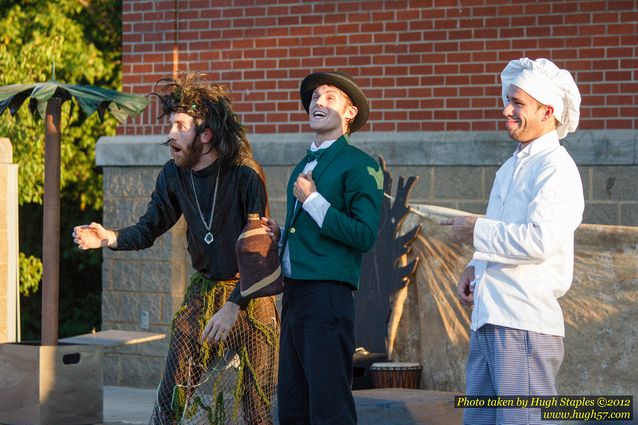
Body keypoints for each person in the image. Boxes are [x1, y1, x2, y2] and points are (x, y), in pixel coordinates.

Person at [73, 73, 279, 425]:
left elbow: (260, 253)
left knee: (256, 405)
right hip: (205, 290)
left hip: (249, 295)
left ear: (206, 134)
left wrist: (233, 307)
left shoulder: (246, 174)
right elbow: (149, 227)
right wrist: (109, 237)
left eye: (180, 125)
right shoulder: (173, 175)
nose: (170, 134)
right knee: (173, 393)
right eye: (169, 124)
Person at [441, 58, 584, 424]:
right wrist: (474, 266)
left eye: (517, 103)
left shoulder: (556, 168)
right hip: (491, 318)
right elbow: (504, 231)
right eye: (508, 100)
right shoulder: (511, 166)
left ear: (547, 111)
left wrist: (476, 229)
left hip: (523, 324)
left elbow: (539, 239)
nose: (506, 110)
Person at [262, 71, 384, 425]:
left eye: (330, 97)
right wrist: (282, 235)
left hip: (328, 298)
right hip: (295, 296)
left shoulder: (360, 165)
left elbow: (364, 235)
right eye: (315, 97)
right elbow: (311, 232)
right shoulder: (303, 164)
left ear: (349, 114)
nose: (318, 102)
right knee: (293, 406)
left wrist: (313, 199)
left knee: (329, 407)